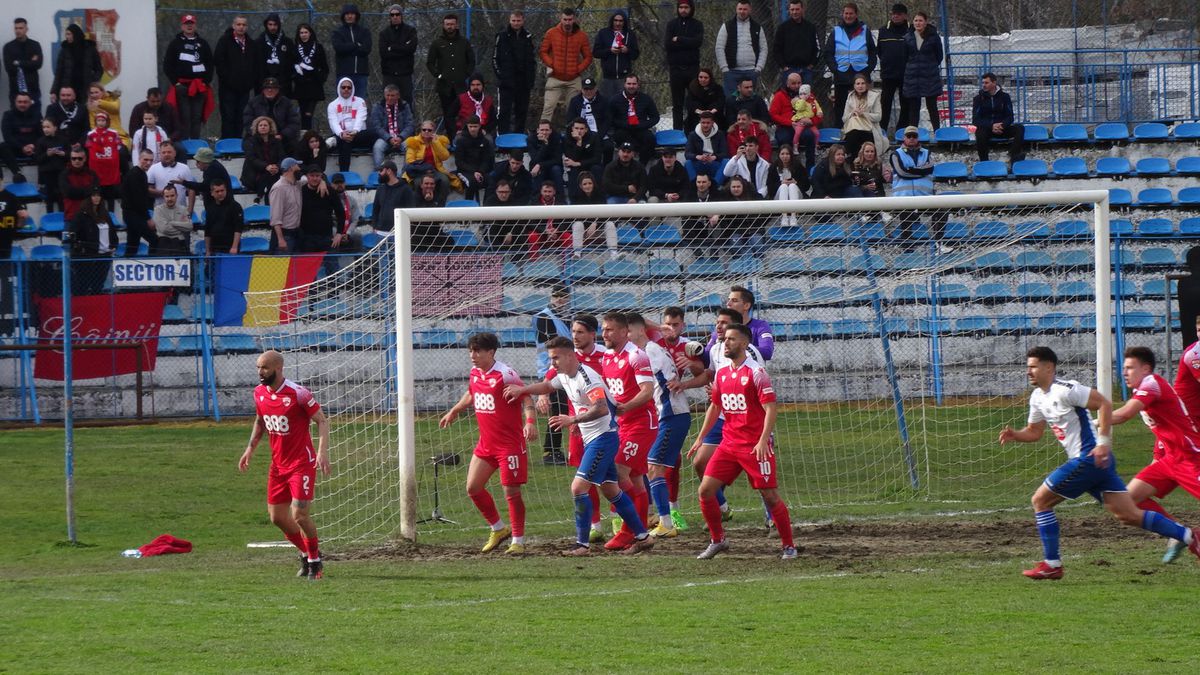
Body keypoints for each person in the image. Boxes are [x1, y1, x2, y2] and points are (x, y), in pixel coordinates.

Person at [998, 346, 1200, 579]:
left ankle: (1052, 564)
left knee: (1040, 501)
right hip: (1158, 459)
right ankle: (1187, 536)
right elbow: (1034, 432)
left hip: (1092, 458)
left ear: (1048, 367)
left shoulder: (1069, 389)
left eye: (1033, 366)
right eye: (1028, 367)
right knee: (1129, 512)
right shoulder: (1037, 398)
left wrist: (1102, 440)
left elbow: (1108, 406)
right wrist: (1016, 435)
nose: (1029, 371)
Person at [505, 335, 654, 555]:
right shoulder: (564, 375)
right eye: (550, 358)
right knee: (611, 489)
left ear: (569, 355)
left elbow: (602, 408)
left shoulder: (587, 377)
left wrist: (572, 419)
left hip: (603, 439)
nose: (552, 363)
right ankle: (643, 537)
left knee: (578, 488)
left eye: (555, 358)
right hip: (595, 438)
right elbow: (548, 385)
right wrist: (523, 390)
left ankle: (582, 545)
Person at [689, 323, 796, 559]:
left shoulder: (756, 373)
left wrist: (762, 440)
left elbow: (771, 409)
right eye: (725, 339)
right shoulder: (723, 373)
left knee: (769, 495)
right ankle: (718, 541)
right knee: (706, 490)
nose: (726, 342)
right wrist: (701, 437)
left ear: (745, 343)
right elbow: (715, 406)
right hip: (729, 444)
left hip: (754, 446)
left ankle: (788, 546)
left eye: (732, 339)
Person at [439, 332, 537, 554]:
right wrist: (455, 410)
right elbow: (472, 393)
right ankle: (499, 529)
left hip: (509, 445)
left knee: (511, 492)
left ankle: (518, 542)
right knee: (473, 488)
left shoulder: (506, 374)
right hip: (486, 444)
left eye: (477, 351)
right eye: (471, 351)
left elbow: (527, 397)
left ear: (491, 352)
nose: (473, 356)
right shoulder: (475, 372)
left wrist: (530, 422)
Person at [239, 350, 331, 579]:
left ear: (278, 368)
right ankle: (307, 551)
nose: (260, 372)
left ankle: (315, 562)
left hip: (301, 464)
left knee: (299, 514)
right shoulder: (259, 393)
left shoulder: (298, 394)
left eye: (265, 368)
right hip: (278, 466)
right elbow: (260, 421)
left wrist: (322, 452)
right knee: (277, 518)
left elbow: (321, 420)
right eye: (258, 367)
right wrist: (250, 449)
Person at [1112, 347, 1200, 564]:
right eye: (1123, 368)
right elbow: (1164, 427)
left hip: (1191, 458)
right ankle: (1179, 534)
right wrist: (1157, 457)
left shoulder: (1152, 383)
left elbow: (1124, 414)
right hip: (1170, 459)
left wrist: (1092, 420)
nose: (1125, 372)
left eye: (1130, 368)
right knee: (1126, 502)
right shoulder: (1143, 389)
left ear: (1146, 368)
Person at [625, 313, 691, 538]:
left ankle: (666, 523)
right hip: (667, 416)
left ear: (640, 331)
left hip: (671, 415)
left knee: (654, 467)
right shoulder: (648, 350)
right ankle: (662, 519)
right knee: (652, 466)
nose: (625, 337)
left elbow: (643, 387)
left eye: (628, 332)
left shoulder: (649, 353)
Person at [598, 312, 658, 551]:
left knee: (617, 472)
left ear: (624, 332)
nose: (605, 334)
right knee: (634, 479)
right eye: (603, 329)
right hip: (622, 424)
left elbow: (647, 391)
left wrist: (624, 407)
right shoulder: (607, 358)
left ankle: (628, 530)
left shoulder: (636, 356)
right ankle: (639, 531)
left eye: (610, 330)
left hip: (642, 423)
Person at [531, 285, 572, 465]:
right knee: (558, 409)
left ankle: (555, 450)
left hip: (563, 367)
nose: (561, 300)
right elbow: (554, 342)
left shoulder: (567, 317)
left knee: (562, 409)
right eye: (558, 297)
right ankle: (550, 452)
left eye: (564, 297)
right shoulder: (544, 316)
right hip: (550, 368)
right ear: (552, 297)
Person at [824, 3, 877, 127]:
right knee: (841, 107)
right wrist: (834, 69)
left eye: (851, 13)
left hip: (861, 74)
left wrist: (868, 69)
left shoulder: (864, 30)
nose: (848, 16)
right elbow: (828, 53)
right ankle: (840, 132)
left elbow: (872, 52)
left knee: (863, 106)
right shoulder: (836, 31)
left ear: (856, 14)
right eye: (846, 13)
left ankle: (864, 130)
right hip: (841, 73)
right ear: (842, 15)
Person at [162, 15, 214, 140]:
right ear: (182, 26)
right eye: (187, 23)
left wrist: (206, 82)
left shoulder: (203, 43)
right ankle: (185, 143)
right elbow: (168, 65)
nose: (189, 26)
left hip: (199, 87)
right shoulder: (175, 43)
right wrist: (176, 83)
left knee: (197, 116)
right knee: (184, 116)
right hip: (182, 86)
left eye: (191, 23)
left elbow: (210, 64)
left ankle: (195, 142)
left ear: (195, 25)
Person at [889, 126, 942, 245]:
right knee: (906, 220)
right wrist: (920, 172)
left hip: (925, 197)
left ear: (918, 138)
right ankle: (907, 248)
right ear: (904, 138)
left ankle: (939, 243)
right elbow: (902, 173)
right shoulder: (895, 154)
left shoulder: (927, 153)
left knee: (942, 210)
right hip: (904, 198)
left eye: (914, 136)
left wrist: (911, 170)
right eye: (909, 136)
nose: (912, 138)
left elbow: (929, 169)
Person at [539, 8, 593, 127]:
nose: (567, 22)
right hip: (555, 77)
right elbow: (543, 52)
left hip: (573, 79)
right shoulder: (551, 33)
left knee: (574, 109)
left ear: (574, 19)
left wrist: (578, 69)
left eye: (570, 19)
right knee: (548, 106)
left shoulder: (582, 36)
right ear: (560, 18)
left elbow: (588, 57)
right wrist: (552, 64)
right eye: (565, 19)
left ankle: (573, 134)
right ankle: (542, 134)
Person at [427, 14, 475, 135]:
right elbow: (430, 62)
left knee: (463, 112)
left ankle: (463, 136)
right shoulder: (437, 43)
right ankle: (451, 138)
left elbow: (471, 60)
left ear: (457, 25)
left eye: (452, 24)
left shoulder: (464, 42)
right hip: (444, 86)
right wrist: (438, 75)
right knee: (448, 114)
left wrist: (466, 74)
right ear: (444, 25)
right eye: (447, 24)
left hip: (461, 86)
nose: (450, 27)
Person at [491, 11, 536, 135]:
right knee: (504, 111)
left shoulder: (527, 36)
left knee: (521, 111)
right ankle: (502, 138)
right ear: (510, 20)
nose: (516, 23)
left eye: (518, 20)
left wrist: (531, 79)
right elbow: (495, 59)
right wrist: (501, 77)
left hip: (523, 82)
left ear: (523, 21)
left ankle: (519, 139)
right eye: (514, 21)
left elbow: (532, 60)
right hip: (506, 82)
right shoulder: (501, 36)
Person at [214, 16, 258, 141]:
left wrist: (250, 82)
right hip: (228, 88)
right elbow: (219, 62)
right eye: (238, 24)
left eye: (243, 25)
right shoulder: (224, 41)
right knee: (228, 116)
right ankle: (227, 143)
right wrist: (228, 80)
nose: (241, 27)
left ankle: (238, 142)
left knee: (241, 116)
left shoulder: (251, 43)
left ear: (247, 27)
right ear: (233, 26)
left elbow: (255, 65)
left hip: (244, 88)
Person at [66, 188, 117, 293]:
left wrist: (113, 245)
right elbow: (73, 234)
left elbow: (112, 232)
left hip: (104, 255)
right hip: (88, 256)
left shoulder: (105, 214)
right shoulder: (80, 215)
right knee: (83, 284)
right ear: (88, 198)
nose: (96, 198)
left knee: (98, 285)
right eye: (94, 195)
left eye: (98, 195)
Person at [714, 0, 769, 96]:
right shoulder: (726, 26)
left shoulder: (757, 27)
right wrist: (724, 68)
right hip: (731, 71)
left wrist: (758, 68)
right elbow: (719, 48)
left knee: (750, 102)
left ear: (750, 10)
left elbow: (764, 48)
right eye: (740, 9)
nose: (742, 12)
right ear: (736, 9)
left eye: (745, 9)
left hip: (751, 71)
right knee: (731, 101)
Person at [664, 0, 704, 130]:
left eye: (686, 7)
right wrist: (687, 43)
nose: (683, 10)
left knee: (694, 101)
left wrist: (679, 39)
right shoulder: (671, 25)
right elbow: (668, 45)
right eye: (681, 7)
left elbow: (697, 42)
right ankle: (677, 131)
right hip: (676, 69)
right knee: (677, 104)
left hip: (692, 69)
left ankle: (693, 129)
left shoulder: (697, 24)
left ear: (691, 8)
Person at [972, 72, 1026, 163]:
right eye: (983, 83)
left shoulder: (1005, 97)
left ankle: (1014, 158)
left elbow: (1010, 116)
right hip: (987, 129)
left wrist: (1002, 125)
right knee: (979, 133)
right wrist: (991, 126)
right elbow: (976, 119)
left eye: (986, 83)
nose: (984, 85)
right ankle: (984, 162)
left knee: (1019, 129)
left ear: (994, 83)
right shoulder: (978, 99)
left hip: (1002, 128)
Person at [903, 12, 944, 130]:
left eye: (920, 20)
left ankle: (937, 131)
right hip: (912, 77)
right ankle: (913, 134)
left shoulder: (933, 37)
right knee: (914, 108)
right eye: (915, 20)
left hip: (930, 76)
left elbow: (939, 56)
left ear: (926, 22)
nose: (918, 23)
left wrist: (928, 66)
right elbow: (904, 57)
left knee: (932, 106)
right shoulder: (907, 37)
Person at [326, 77, 375, 173]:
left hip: (358, 134)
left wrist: (354, 132)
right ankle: (345, 174)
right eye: (343, 87)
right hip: (342, 136)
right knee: (345, 142)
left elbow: (361, 118)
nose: (346, 90)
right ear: (339, 88)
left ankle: (334, 141)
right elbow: (333, 122)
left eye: (349, 87)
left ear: (352, 89)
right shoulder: (332, 105)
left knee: (374, 133)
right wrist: (341, 134)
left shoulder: (360, 101)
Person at [876, 3, 911, 135]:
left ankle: (902, 131)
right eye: (893, 14)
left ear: (905, 16)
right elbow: (879, 51)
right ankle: (882, 130)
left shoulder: (911, 30)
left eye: (899, 14)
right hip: (888, 74)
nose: (895, 16)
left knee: (906, 104)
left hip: (906, 74)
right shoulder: (883, 30)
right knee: (885, 103)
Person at [243, 78, 301, 152]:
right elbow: (247, 122)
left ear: (278, 90)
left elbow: (294, 123)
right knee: (248, 145)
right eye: (267, 88)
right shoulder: (253, 102)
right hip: (258, 137)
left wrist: (282, 135)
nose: (270, 90)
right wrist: (260, 136)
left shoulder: (287, 103)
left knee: (294, 146)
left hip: (281, 137)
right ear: (263, 90)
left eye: (273, 88)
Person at [298, 164, 345, 254]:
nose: (315, 178)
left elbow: (341, 213)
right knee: (308, 267)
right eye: (312, 176)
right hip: (306, 238)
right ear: (307, 177)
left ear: (321, 176)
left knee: (332, 267)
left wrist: (339, 233)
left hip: (327, 237)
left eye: (317, 176)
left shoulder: (330, 191)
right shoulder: (300, 191)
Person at [773, 0, 821, 87]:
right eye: (792, 9)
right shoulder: (782, 28)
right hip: (789, 70)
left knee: (806, 98)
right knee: (788, 99)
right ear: (789, 10)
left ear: (802, 9)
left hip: (806, 70)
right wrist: (784, 66)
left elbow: (817, 48)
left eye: (797, 9)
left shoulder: (810, 27)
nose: (794, 12)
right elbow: (776, 49)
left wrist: (811, 65)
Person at [593, 11, 640, 100]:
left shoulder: (629, 34)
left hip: (624, 77)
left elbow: (635, 54)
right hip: (607, 76)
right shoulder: (603, 33)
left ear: (624, 22)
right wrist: (609, 50)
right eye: (616, 20)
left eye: (621, 21)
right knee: (607, 103)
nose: (618, 23)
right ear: (612, 21)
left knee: (624, 103)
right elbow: (596, 52)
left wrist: (627, 50)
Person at [379, 4, 418, 108]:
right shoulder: (384, 34)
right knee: (388, 102)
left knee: (406, 102)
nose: (395, 17)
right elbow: (384, 53)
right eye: (392, 15)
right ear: (390, 17)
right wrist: (403, 48)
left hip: (405, 74)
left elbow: (411, 49)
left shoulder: (410, 31)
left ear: (401, 15)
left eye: (397, 14)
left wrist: (392, 47)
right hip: (389, 74)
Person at [291, 24, 330, 131]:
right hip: (301, 86)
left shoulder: (318, 47)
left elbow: (324, 67)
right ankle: (305, 135)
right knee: (303, 114)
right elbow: (291, 65)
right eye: (301, 33)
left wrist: (319, 77)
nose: (303, 35)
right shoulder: (295, 48)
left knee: (309, 113)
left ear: (310, 33)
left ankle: (308, 135)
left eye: (306, 32)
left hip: (314, 86)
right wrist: (296, 76)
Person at [51, 25, 102, 105]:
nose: (67, 37)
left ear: (76, 34)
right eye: (66, 34)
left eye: (69, 34)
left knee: (85, 112)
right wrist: (54, 91)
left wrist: (92, 81)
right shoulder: (64, 50)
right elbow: (59, 73)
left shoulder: (90, 49)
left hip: (86, 88)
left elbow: (99, 69)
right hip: (69, 88)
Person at [404, 122, 461, 192]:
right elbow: (409, 160)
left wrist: (436, 143)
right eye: (424, 130)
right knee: (418, 183)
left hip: (435, 170)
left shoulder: (439, 140)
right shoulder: (414, 141)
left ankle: (440, 202)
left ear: (433, 131)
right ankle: (420, 202)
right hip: (419, 171)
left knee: (445, 181)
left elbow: (445, 157)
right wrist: (425, 168)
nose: (426, 131)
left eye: (429, 130)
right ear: (421, 131)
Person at [569, 172, 616, 258]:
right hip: (583, 231)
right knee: (578, 224)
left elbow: (606, 214)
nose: (587, 186)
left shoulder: (600, 195)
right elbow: (574, 217)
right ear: (580, 186)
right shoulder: (575, 197)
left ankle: (614, 253)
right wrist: (588, 226)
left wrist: (595, 223)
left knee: (610, 224)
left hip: (598, 229)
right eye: (585, 184)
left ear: (593, 184)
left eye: (590, 183)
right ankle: (577, 253)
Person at [330, 4, 371, 99]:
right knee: (343, 102)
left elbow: (366, 49)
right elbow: (339, 48)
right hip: (344, 74)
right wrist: (356, 45)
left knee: (360, 102)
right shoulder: (338, 32)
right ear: (343, 16)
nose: (349, 16)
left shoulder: (364, 31)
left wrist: (348, 48)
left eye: (352, 14)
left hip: (361, 74)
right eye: (347, 14)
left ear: (356, 15)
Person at [841, 74, 886, 160]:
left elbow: (878, 117)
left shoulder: (874, 96)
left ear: (866, 85)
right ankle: (853, 160)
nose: (860, 86)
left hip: (869, 128)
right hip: (852, 129)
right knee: (854, 133)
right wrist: (852, 113)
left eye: (863, 83)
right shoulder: (850, 97)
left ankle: (852, 158)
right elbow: (844, 118)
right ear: (854, 85)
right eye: (858, 84)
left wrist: (864, 114)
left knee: (857, 136)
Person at [120, 150, 156, 257]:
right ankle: (153, 265)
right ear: (139, 159)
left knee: (132, 244)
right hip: (133, 215)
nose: (148, 163)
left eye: (151, 160)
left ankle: (128, 264)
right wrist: (148, 218)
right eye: (146, 159)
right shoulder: (135, 175)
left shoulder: (141, 174)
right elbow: (138, 201)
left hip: (133, 214)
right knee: (154, 240)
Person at [175, 146, 230, 215]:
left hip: (220, 209)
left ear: (204, 161)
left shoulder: (213, 170)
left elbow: (204, 186)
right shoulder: (213, 167)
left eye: (198, 161)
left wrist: (184, 182)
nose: (196, 164)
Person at [84, 111, 122, 210]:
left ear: (107, 121)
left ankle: (111, 215)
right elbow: (88, 147)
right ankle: (98, 216)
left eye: (103, 120)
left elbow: (118, 146)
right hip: (97, 170)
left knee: (110, 196)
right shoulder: (91, 134)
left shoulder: (113, 133)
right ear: (95, 122)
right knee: (98, 196)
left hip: (110, 170)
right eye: (98, 120)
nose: (101, 123)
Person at [242, 116, 285, 202]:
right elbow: (252, 159)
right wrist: (266, 166)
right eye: (260, 125)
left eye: (265, 125)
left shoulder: (276, 142)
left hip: (273, 172)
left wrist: (277, 167)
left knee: (273, 178)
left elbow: (282, 157)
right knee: (269, 179)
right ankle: (267, 204)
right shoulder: (250, 141)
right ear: (257, 128)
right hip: (255, 174)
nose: (263, 127)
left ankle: (261, 198)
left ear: (270, 128)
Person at [371, 84, 413, 171]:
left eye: (392, 95)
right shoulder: (378, 106)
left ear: (398, 96)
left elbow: (410, 125)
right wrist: (389, 138)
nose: (390, 98)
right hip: (384, 137)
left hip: (401, 137)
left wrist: (401, 137)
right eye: (388, 95)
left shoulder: (405, 106)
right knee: (378, 147)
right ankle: (380, 174)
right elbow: (376, 126)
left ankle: (405, 175)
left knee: (411, 147)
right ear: (384, 95)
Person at [450, 116, 492, 202]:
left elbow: (486, 160)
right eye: (471, 126)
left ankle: (486, 207)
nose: (473, 129)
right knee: (472, 182)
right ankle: (468, 208)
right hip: (464, 171)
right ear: (467, 126)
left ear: (479, 126)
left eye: (475, 126)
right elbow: (459, 162)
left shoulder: (484, 141)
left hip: (480, 171)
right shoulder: (461, 141)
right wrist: (474, 171)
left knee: (491, 181)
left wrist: (480, 171)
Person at [267, 157, 303, 253]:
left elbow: (313, 179)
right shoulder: (279, 188)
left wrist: (323, 182)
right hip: (284, 235)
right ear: (291, 168)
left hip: (296, 233)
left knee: (294, 266)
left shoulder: (297, 184)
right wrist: (280, 239)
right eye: (297, 166)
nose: (299, 169)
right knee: (281, 266)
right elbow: (275, 217)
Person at [1, 91, 39, 182]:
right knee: (2, 146)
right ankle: (17, 173)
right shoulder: (7, 115)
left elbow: (41, 135)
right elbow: (7, 136)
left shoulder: (37, 115)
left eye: (25, 102)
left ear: (30, 103)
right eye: (20, 102)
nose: (22, 104)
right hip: (15, 149)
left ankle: (44, 183)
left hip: (33, 149)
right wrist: (22, 147)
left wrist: (33, 145)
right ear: (15, 102)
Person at [4, 18, 43, 106]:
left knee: (35, 115)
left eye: (21, 28)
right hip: (16, 90)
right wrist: (29, 63)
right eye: (16, 28)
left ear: (26, 29)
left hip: (33, 89)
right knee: (16, 118)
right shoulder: (8, 47)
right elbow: (9, 69)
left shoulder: (35, 45)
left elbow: (38, 64)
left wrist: (18, 63)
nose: (18, 30)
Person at [528, 182, 570, 259]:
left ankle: (566, 264)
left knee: (567, 236)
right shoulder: (534, 202)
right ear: (541, 191)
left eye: (549, 191)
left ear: (554, 192)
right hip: (541, 233)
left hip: (557, 233)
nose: (547, 194)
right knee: (532, 236)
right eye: (545, 191)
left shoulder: (561, 202)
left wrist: (557, 230)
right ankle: (533, 262)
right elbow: (530, 223)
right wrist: (544, 230)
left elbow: (567, 220)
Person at [203, 179, 244, 255]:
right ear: (212, 193)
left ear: (226, 190)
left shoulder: (235, 206)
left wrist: (234, 247)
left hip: (230, 247)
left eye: (222, 190)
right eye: (217, 191)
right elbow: (207, 231)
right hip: (214, 248)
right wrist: (208, 250)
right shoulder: (210, 208)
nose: (220, 193)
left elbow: (238, 228)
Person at [768, 143, 808, 223]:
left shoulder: (798, 166)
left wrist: (796, 182)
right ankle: (784, 217)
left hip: (796, 196)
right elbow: (770, 188)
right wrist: (781, 183)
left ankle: (793, 217)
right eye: (782, 154)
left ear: (791, 155)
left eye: (787, 154)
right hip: (779, 197)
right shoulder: (773, 167)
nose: (785, 156)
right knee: (783, 187)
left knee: (792, 186)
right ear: (779, 155)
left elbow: (807, 185)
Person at [256, 14, 294, 96]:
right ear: (266, 25)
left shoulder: (287, 42)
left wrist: (288, 77)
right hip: (264, 85)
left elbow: (291, 62)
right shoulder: (259, 42)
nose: (273, 27)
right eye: (270, 24)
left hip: (283, 85)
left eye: (275, 24)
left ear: (279, 25)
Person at [562, 117, 604, 192]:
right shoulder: (567, 138)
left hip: (590, 164)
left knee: (597, 168)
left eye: (581, 129)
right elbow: (571, 158)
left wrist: (579, 163)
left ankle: (599, 196)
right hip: (575, 165)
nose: (579, 131)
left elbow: (597, 158)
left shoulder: (594, 137)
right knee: (573, 171)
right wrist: (579, 142)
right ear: (572, 128)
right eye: (576, 128)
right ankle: (574, 200)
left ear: (586, 129)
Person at [685, 111, 729, 181]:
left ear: (712, 123)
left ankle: (716, 186)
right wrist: (698, 157)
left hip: (714, 162)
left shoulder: (720, 134)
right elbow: (687, 154)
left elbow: (725, 153)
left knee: (726, 161)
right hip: (699, 162)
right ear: (700, 122)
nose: (705, 125)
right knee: (688, 163)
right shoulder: (692, 135)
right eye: (703, 123)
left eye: (708, 123)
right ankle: (693, 186)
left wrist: (714, 157)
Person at [35, 118, 68, 211]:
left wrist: (64, 154)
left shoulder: (63, 140)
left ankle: (62, 217)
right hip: (47, 174)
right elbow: (37, 159)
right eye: (43, 127)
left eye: (48, 127)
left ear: (55, 128)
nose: (45, 129)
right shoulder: (40, 141)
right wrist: (47, 154)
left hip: (60, 172)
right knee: (49, 197)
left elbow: (70, 155)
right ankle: (50, 217)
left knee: (61, 196)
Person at [146, 141, 192, 207]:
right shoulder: (153, 168)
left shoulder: (184, 168)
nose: (166, 154)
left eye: (169, 152)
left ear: (175, 153)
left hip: (181, 211)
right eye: (163, 152)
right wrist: (162, 193)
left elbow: (191, 190)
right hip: (161, 212)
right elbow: (148, 189)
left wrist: (190, 210)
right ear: (160, 154)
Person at [60, 147, 99, 222]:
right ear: (70, 159)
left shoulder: (92, 174)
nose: (76, 161)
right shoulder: (64, 175)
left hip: (90, 216)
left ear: (85, 159)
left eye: (80, 158)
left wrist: (76, 192)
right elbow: (68, 193)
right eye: (73, 158)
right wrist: (87, 191)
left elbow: (96, 192)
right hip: (71, 217)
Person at [85, 83, 128, 149]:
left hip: (118, 135)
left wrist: (100, 103)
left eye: (96, 92)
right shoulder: (91, 105)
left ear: (102, 92)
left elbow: (115, 108)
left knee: (122, 152)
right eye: (91, 93)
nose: (94, 95)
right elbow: (93, 124)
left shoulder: (113, 98)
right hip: (100, 136)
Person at [768, 72, 804, 151]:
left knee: (810, 136)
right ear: (787, 84)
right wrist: (789, 122)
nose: (797, 86)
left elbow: (815, 111)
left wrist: (810, 121)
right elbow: (773, 114)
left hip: (803, 125)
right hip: (785, 126)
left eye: (799, 83)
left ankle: (811, 163)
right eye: (793, 83)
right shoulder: (779, 95)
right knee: (784, 140)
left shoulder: (806, 94)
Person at [153, 184, 191, 255]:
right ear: (163, 197)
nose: (170, 199)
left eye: (172, 196)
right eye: (167, 196)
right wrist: (180, 228)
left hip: (179, 242)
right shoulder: (158, 209)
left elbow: (189, 226)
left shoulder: (183, 209)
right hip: (163, 243)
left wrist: (172, 223)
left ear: (177, 195)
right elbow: (164, 229)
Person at [526, 120, 563, 194]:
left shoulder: (557, 137)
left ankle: (561, 198)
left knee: (556, 170)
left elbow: (557, 159)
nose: (544, 132)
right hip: (537, 165)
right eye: (542, 130)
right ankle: (535, 199)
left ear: (551, 130)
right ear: (537, 130)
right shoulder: (531, 139)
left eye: (547, 130)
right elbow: (535, 159)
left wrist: (540, 165)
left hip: (552, 165)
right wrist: (545, 144)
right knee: (537, 172)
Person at [684, 68, 725, 132]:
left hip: (714, 114)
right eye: (701, 77)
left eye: (706, 78)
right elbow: (689, 103)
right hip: (697, 115)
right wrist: (699, 112)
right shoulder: (692, 88)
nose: (703, 79)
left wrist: (712, 111)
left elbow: (721, 101)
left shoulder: (717, 88)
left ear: (710, 78)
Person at [0, 174, 29, 260]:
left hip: (5, 240)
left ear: (1, 180)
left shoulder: (11, 197)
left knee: (4, 269)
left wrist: (23, 217)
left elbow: (21, 225)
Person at [328, 172, 359, 253]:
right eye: (336, 183)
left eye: (341, 182)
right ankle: (333, 264)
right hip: (333, 231)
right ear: (331, 185)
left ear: (345, 184)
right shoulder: (327, 199)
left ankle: (358, 264)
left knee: (358, 237)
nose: (339, 185)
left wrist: (348, 233)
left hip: (347, 231)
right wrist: (338, 234)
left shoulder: (352, 200)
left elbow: (355, 220)